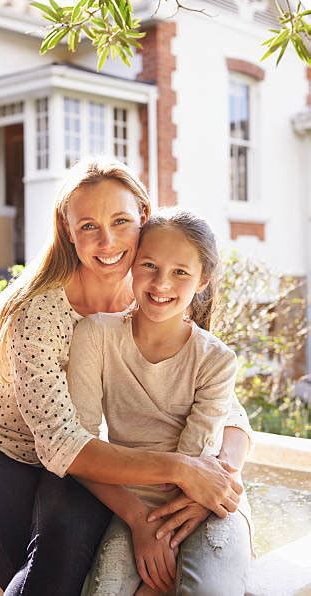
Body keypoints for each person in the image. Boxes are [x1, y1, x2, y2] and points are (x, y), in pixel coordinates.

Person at [0, 158, 250, 596]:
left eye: (121, 221)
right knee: (52, 576)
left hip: (91, 465)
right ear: (68, 230)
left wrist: (217, 477)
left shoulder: (154, 291)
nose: (108, 240)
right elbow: (62, 443)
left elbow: (223, 404)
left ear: (143, 219)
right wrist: (179, 474)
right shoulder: (39, 313)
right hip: (10, 457)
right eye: (89, 226)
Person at [68, 208, 253, 595]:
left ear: (202, 280)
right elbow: (78, 450)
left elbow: (196, 461)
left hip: (207, 499)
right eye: (149, 265)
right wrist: (139, 521)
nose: (161, 283)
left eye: (180, 272)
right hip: (130, 500)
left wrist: (158, 576)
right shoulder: (96, 335)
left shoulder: (217, 359)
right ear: (132, 265)